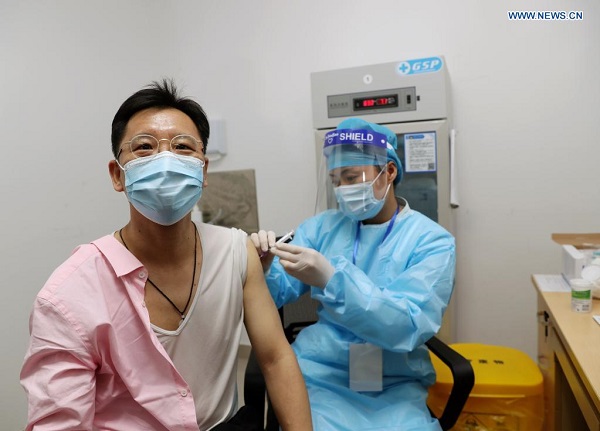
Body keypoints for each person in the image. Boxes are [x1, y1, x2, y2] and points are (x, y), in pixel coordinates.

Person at [20, 80, 313, 431]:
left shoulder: (236, 253)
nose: (166, 161)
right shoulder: (68, 295)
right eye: (144, 147)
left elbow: (276, 359)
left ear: (203, 171)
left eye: (183, 147)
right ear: (117, 175)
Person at [251, 118, 456, 431]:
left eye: (351, 177)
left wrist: (333, 281)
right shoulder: (322, 227)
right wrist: (263, 268)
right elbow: (275, 293)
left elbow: (408, 325)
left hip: (394, 381)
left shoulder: (432, 241)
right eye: (336, 180)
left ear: (389, 171)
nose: (343, 190)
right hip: (322, 372)